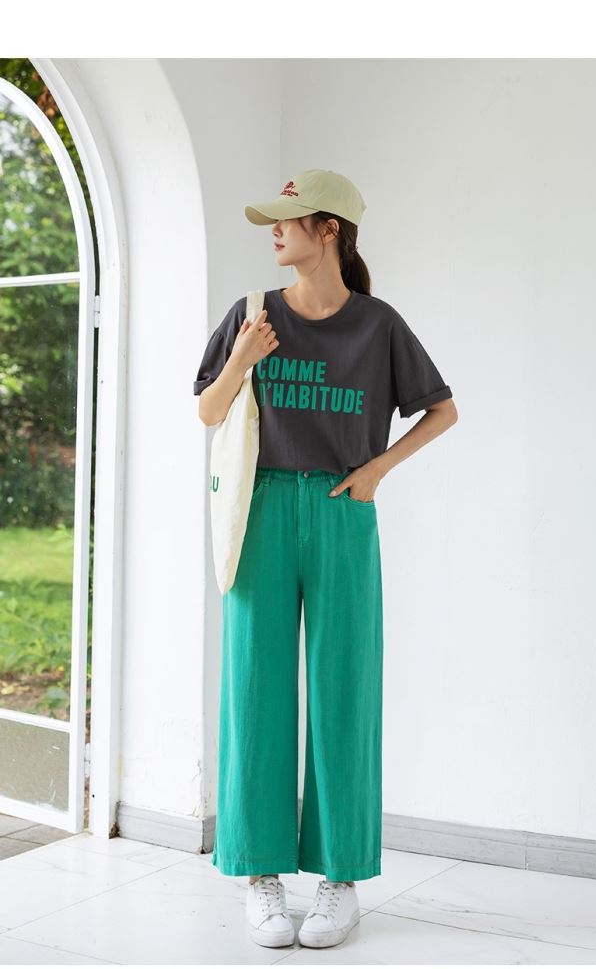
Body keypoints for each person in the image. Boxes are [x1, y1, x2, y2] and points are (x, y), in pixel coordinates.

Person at [193, 169, 458, 950]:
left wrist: (379, 468)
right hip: (262, 509)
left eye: (289, 218)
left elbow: (442, 410)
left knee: (345, 689)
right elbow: (208, 410)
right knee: (255, 688)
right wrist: (242, 358)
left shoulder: (378, 325)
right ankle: (260, 875)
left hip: (343, 512)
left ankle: (341, 878)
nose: (274, 231)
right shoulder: (252, 313)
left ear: (330, 228)